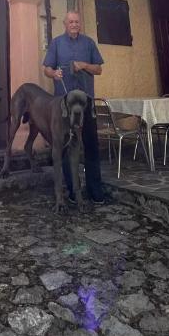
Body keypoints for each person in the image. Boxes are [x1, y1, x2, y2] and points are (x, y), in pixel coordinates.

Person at [43, 11, 106, 202]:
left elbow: (99, 69)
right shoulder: (56, 43)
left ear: (80, 24)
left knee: (91, 145)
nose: (74, 24)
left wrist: (84, 65)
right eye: (70, 21)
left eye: (77, 21)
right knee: (65, 146)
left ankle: (95, 191)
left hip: (85, 102)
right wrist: (53, 74)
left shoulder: (88, 43)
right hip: (64, 104)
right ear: (65, 23)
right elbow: (47, 68)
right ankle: (71, 190)